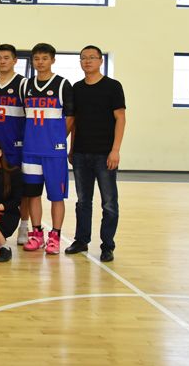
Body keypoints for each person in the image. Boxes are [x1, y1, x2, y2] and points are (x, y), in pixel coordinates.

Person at [65, 45, 126, 263]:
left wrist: (115, 150)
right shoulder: (77, 88)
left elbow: (120, 118)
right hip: (81, 153)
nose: (87, 61)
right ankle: (81, 240)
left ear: (101, 61)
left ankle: (107, 246)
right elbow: (75, 122)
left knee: (109, 203)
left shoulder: (113, 86)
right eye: (83, 58)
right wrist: (72, 148)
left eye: (92, 57)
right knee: (83, 201)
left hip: (105, 154)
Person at [21, 43, 74, 255]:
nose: (40, 62)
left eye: (44, 58)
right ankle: (36, 234)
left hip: (53, 152)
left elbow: (71, 117)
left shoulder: (62, 84)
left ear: (53, 60)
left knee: (56, 196)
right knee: (33, 194)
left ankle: (55, 237)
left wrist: (58, 138)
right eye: (36, 58)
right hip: (30, 151)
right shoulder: (26, 85)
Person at [0, 44, 29, 244]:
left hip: (16, 146)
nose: (2, 61)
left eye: (6, 58)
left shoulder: (23, 84)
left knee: (20, 189)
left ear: (15, 60)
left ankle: (24, 226)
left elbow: (28, 114)